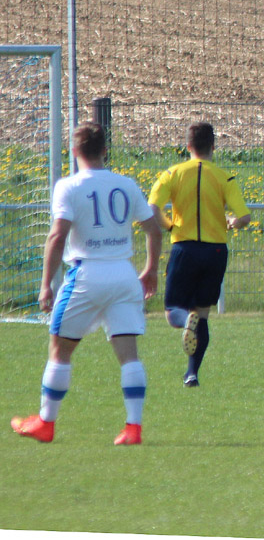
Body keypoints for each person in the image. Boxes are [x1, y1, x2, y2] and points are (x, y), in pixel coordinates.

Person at [11, 122, 162, 445]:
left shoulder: (69, 186)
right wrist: (151, 269)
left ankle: (45, 423)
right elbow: (153, 229)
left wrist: (46, 284)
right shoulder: (126, 184)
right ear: (105, 150)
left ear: (74, 151)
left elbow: (57, 236)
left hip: (87, 274)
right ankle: (133, 428)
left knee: (60, 349)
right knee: (129, 353)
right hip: (123, 274)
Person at [148, 122, 251, 387]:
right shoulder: (224, 177)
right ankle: (192, 373)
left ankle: (186, 321)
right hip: (215, 251)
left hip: (185, 248)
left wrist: (169, 226)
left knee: (173, 311)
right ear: (213, 147)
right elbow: (244, 217)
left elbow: (153, 208)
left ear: (188, 146)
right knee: (202, 314)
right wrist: (232, 223)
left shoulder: (172, 174)